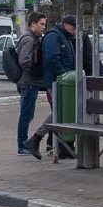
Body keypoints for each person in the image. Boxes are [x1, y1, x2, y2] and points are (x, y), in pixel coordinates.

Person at [22, 15, 81, 160]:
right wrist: (64, 75)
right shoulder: (53, 37)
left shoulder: (64, 37)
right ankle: (36, 138)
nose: (74, 32)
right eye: (73, 28)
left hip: (63, 81)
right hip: (57, 82)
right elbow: (52, 60)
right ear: (66, 25)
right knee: (58, 113)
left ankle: (59, 146)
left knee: (60, 113)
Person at [15, 12, 47, 156]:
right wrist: (35, 71)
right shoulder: (29, 39)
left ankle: (23, 144)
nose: (43, 27)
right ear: (33, 24)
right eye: (42, 24)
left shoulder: (32, 38)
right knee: (26, 115)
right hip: (28, 82)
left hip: (29, 82)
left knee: (28, 114)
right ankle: (22, 145)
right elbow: (24, 61)